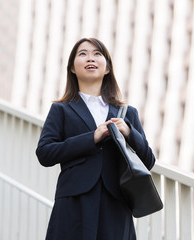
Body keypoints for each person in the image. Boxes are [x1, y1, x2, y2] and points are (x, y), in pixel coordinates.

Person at [36, 38, 156, 240]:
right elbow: (45, 153)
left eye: (97, 53)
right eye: (82, 54)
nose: (90, 58)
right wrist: (92, 138)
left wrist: (128, 132)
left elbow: (149, 160)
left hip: (116, 203)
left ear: (107, 68)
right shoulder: (61, 109)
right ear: (72, 69)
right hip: (74, 202)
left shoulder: (127, 113)